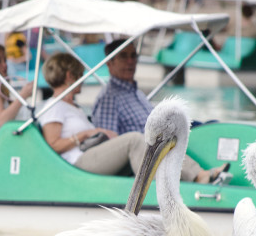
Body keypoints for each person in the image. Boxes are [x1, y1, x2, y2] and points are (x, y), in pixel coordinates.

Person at [91, 41, 226, 183]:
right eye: (123, 57)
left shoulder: (135, 92)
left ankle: (213, 172)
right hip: (146, 152)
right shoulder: (108, 98)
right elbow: (111, 145)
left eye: (133, 56)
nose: (130, 61)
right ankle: (199, 176)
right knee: (162, 140)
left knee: (209, 125)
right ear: (109, 63)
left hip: (162, 141)